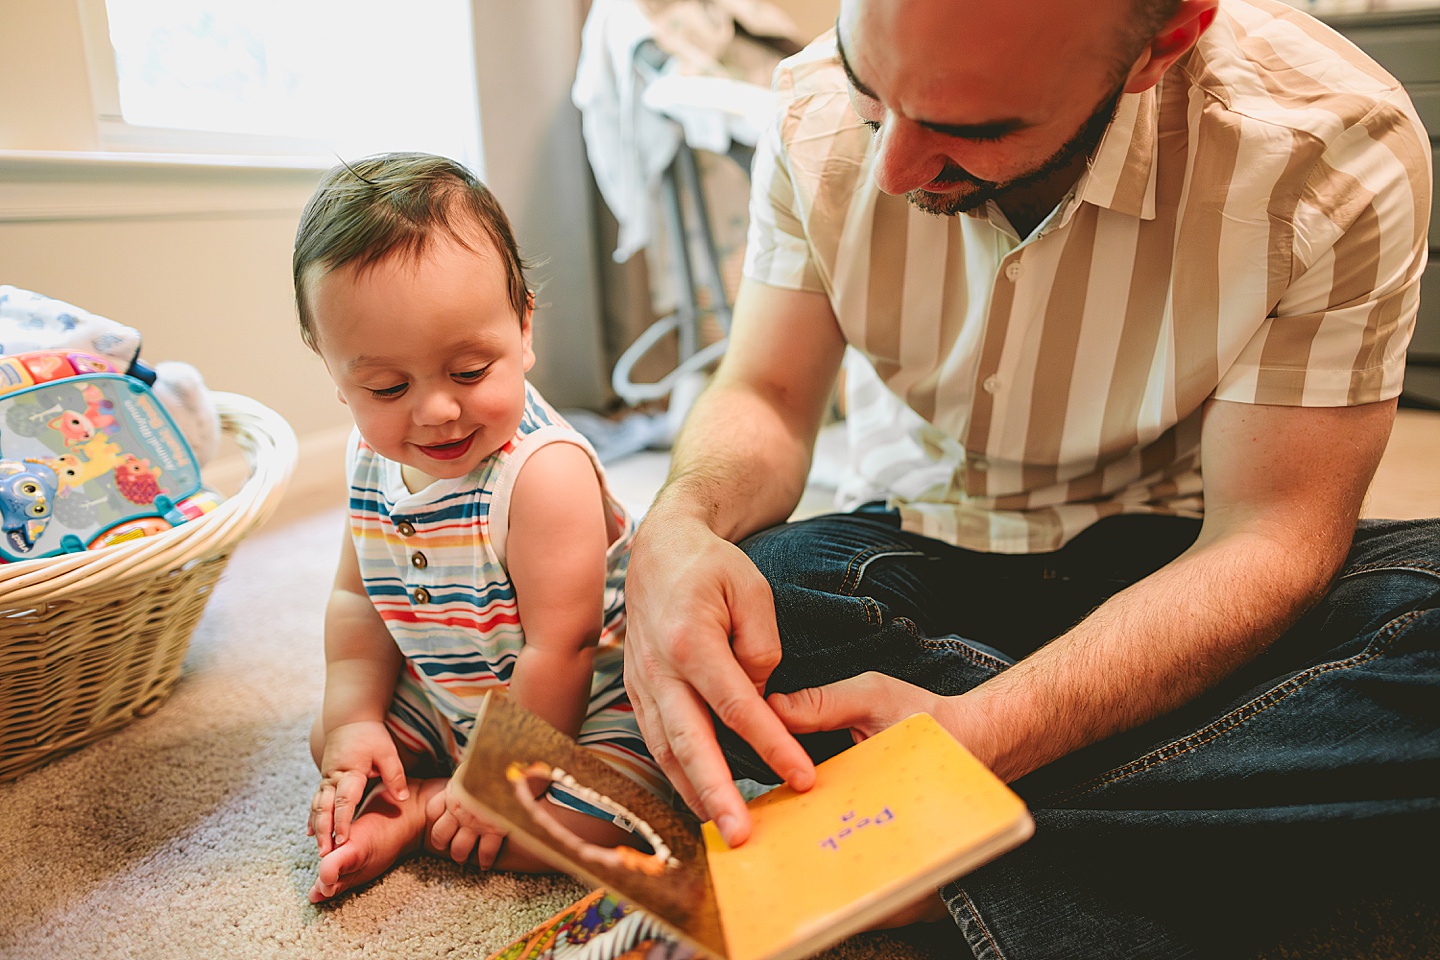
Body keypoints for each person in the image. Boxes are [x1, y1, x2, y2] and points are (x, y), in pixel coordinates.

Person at [623, 0, 1437, 955]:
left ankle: (945, 840)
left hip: (1190, 567)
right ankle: (1191, 828)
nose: (891, 170)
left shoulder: (1331, 141)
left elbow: (1273, 533)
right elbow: (764, 392)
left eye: (975, 129)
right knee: (758, 607)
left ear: (1163, 43)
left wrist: (988, 731)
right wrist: (677, 527)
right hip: (923, 553)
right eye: (869, 93)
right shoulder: (809, 111)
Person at [293, 153, 668, 903]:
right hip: (451, 691)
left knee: (624, 822)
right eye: (388, 387)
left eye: (469, 371)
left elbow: (559, 650)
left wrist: (497, 776)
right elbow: (358, 601)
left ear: (524, 329)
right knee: (334, 743)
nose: (435, 411)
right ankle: (423, 793)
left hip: (583, 706)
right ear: (335, 373)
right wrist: (356, 721)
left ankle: (423, 810)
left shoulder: (542, 473)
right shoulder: (369, 460)